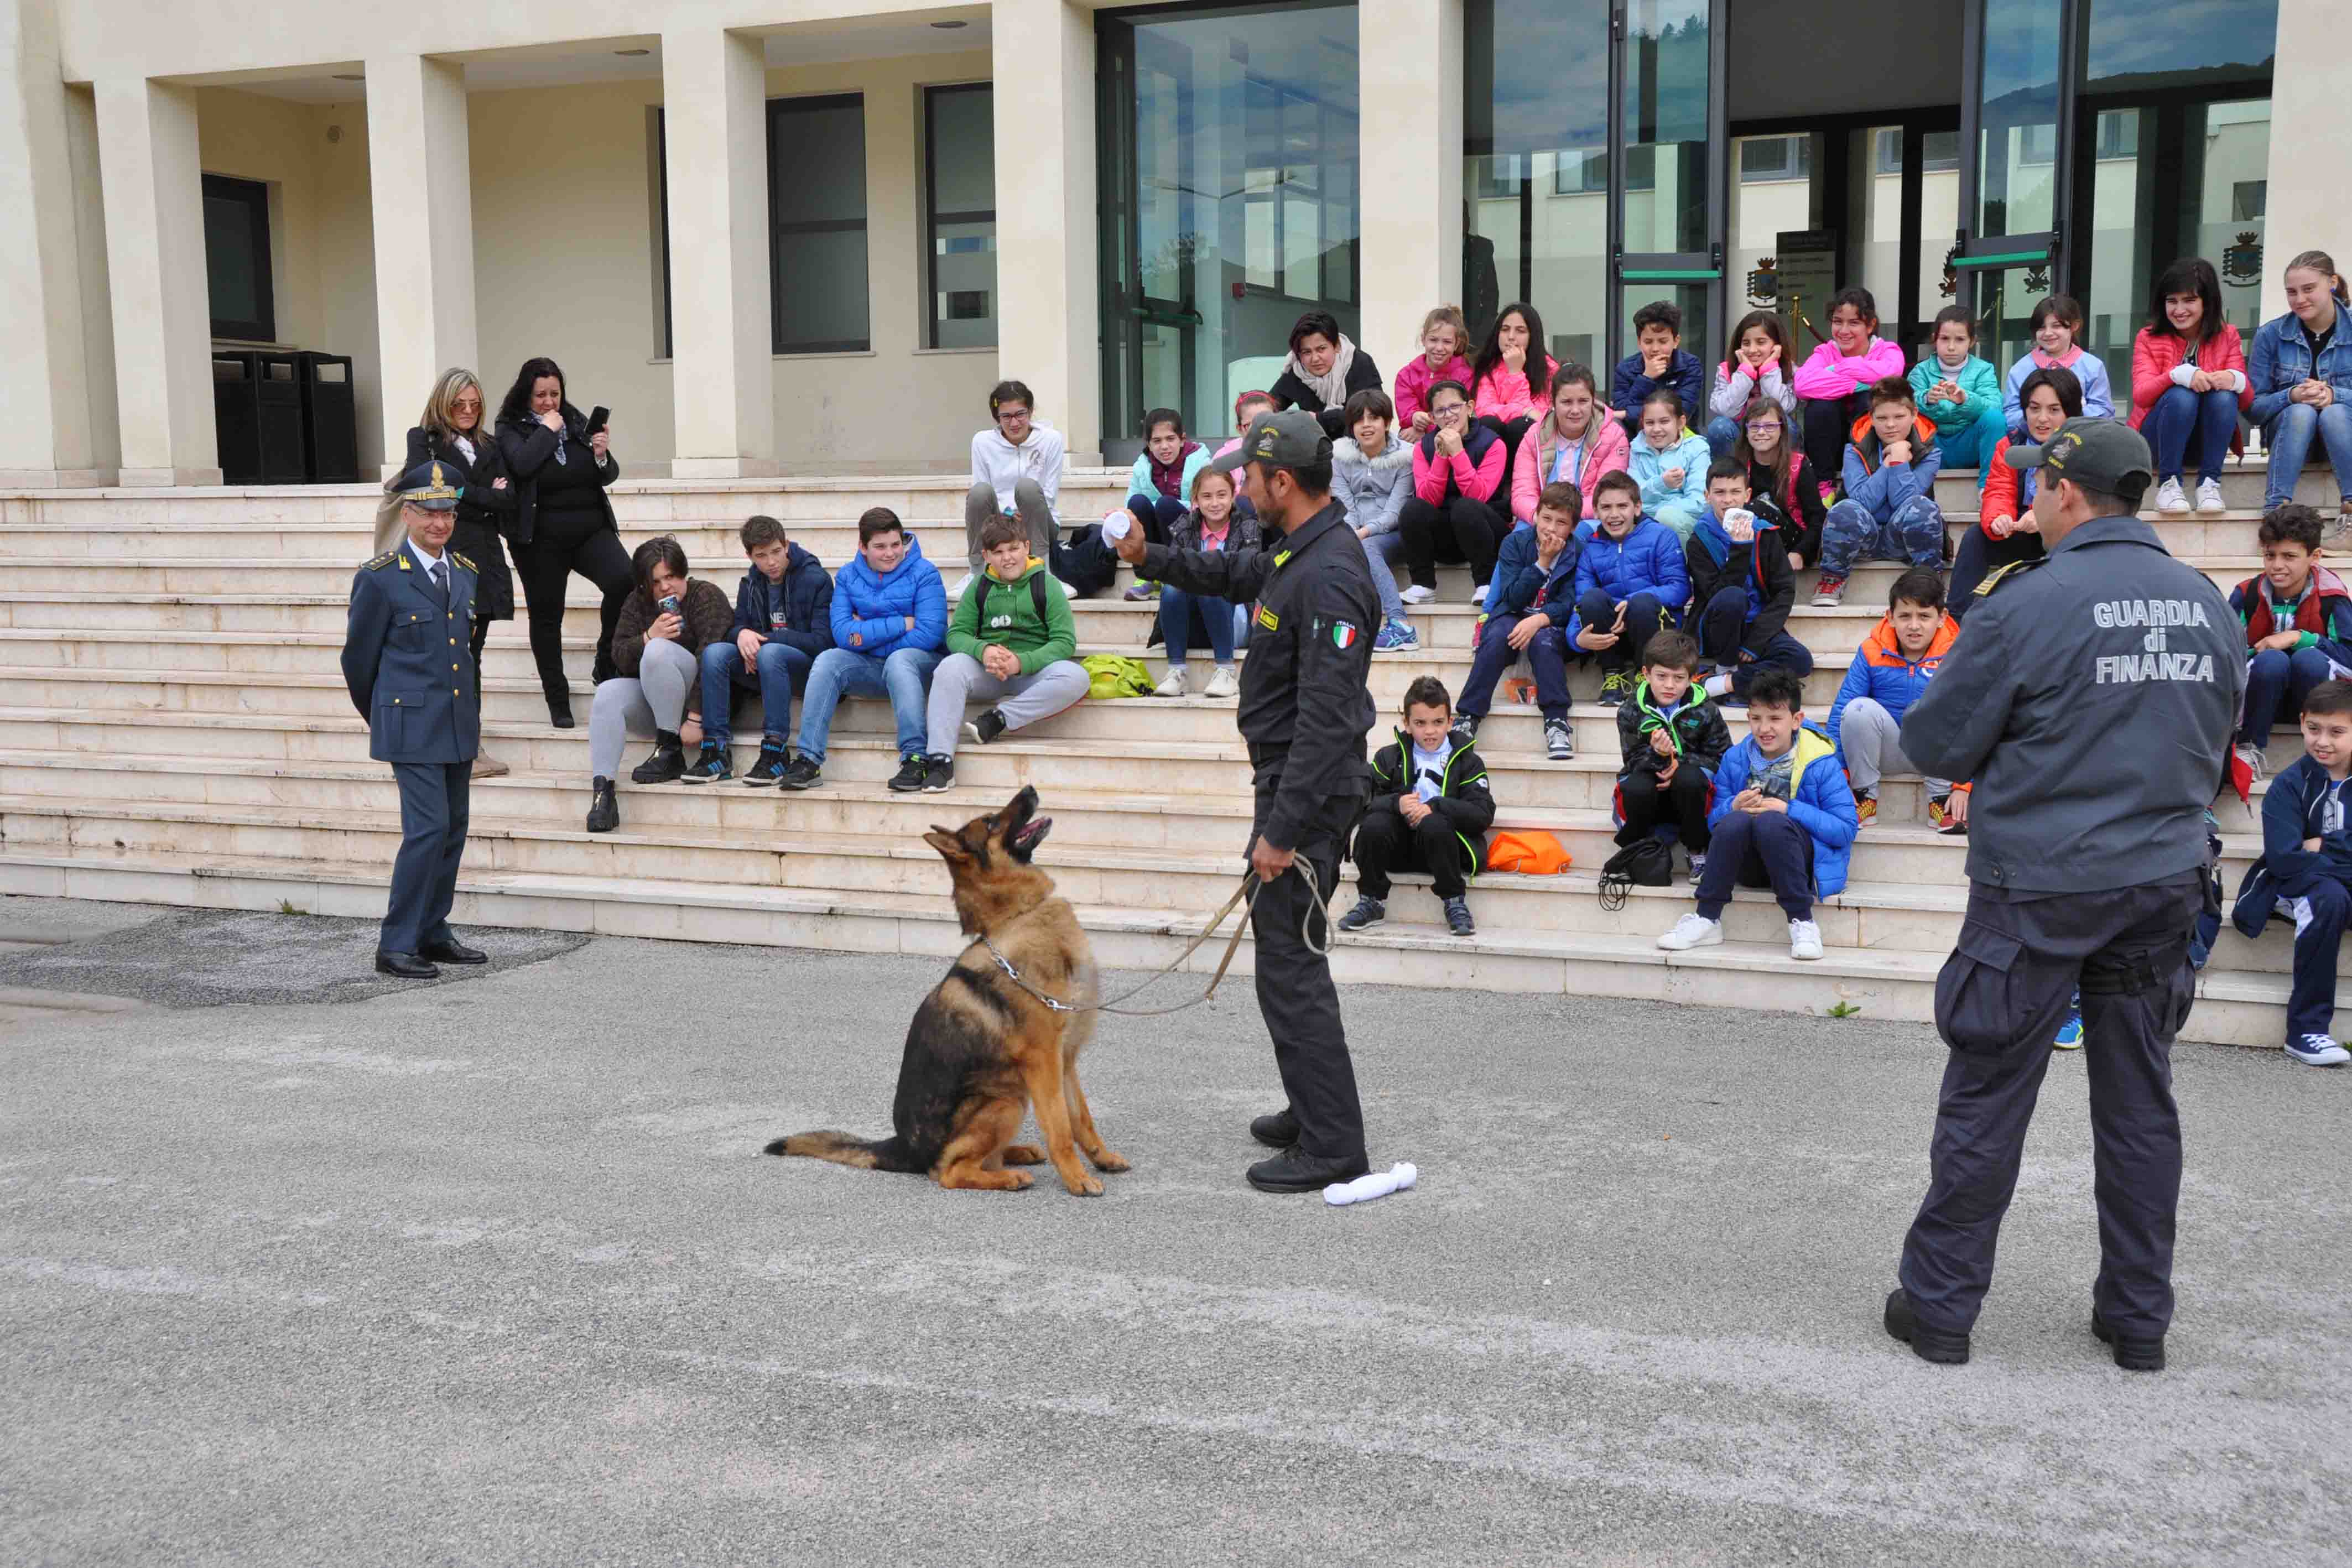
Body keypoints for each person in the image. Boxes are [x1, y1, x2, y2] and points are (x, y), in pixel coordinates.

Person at [1884, 416, 2242, 1373]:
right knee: (2139, 1107)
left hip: (2038, 888)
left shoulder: (2024, 603)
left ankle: (1942, 1309)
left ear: (2066, 493)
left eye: (2036, 487)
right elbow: (2220, 732)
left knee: (1987, 1098)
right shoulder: (2206, 601)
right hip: (2160, 881)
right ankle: (2138, 1318)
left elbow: (1935, 742)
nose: (2030, 502)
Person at [1109, 409, 1380, 1194]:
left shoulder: (1330, 573)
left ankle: (1333, 1144)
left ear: (1281, 482)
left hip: (1307, 790)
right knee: (1286, 961)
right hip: (1292, 782)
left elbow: (1326, 719)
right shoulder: (1299, 548)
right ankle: (1312, 1108)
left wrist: (1281, 831)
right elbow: (1233, 574)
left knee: (1293, 969)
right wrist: (1149, 556)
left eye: (1251, 477)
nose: (1243, 488)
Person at [340, 461, 486, 980]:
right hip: (411, 726)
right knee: (427, 829)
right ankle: (397, 942)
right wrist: (387, 716)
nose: (439, 523)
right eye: (428, 513)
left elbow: (463, 654)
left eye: (448, 513)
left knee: (453, 829)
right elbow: (358, 662)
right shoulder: (380, 578)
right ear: (407, 514)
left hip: (456, 723)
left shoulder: (464, 571)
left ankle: (432, 929)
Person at [1656, 666, 1856, 961]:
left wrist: (1789, 808)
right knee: (1734, 820)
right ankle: (1707, 918)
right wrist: (1732, 806)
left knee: (1772, 821)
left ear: (1796, 720)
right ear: (1748, 718)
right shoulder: (1736, 758)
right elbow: (1713, 824)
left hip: (1799, 864)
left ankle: (1802, 921)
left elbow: (1846, 829)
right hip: (1748, 864)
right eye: (1757, 719)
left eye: (1775, 719)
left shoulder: (1821, 762)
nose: (1765, 729)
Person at [495, 356, 628, 730]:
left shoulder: (575, 419)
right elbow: (522, 465)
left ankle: (606, 658)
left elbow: (608, 474)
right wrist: (547, 431)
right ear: (526, 394)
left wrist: (601, 455)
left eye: (555, 393)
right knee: (547, 617)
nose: (549, 402)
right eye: (541, 395)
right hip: (539, 539)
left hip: (590, 529)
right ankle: (558, 699)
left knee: (625, 580)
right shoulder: (509, 427)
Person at [2226, 678, 2352, 1066]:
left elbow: (2304, 852)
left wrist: (2320, 845)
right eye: (2314, 729)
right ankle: (2306, 1031)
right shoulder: (2289, 785)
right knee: (2328, 898)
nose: (2322, 741)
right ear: (2300, 722)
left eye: (2336, 732)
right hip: (2296, 886)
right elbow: (2283, 859)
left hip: (2327, 879)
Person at [784, 508, 947, 794]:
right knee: (828, 660)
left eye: (896, 544)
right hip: (872, 667)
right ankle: (808, 760)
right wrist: (902, 623)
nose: (891, 553)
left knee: (899, 660)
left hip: (918, 666)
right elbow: (843, 635)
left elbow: (928, 634)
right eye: (880, 547)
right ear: (863, 547)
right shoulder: (848, 576)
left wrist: (866, 634)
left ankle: (915, 758)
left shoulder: (925, 573)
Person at [920, 515, 1088, 791]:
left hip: (1032, 671)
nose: (1007, 558)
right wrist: (984, 650)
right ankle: (940, 761)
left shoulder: (1047, 584)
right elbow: (957, 634)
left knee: (1076, 677)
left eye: (1013, 549)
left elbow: (1064, 642)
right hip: (988, 671)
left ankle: (997, 720)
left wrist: (1021, 662)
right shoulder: (979, 586)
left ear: (1027, 547)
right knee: (949, 668)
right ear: (986, 556)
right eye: (998, 552)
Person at [404, 368, 517, 778]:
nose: (468, 411)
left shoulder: (488, 443)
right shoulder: (424, 440)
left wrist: (465, 492)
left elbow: (509, 498)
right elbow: (431, 490)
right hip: (442, 558)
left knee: (471, 655)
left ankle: (470, 744)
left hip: (483, 560)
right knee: (444, 654)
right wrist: (484, 494)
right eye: (459, 404)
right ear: (443, 403)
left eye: (474, 404)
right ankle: (447, 743)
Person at [582, 536, 730, 834]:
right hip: (658, 702)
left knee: (659, 650)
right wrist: (648, 636)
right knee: (607, 693)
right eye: (656, 581)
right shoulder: (637, 602)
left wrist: (696, 717)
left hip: (702, 702)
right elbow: (619, 657)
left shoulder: (706, 595)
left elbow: (712, 659)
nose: (665, 587)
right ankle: (603, 792)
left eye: (671, 577)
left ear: (683, 572)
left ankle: (669, 750)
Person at [1339, 676, 1494, 940]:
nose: (1430, 731)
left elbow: (1482, 814)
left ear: (1450, 722)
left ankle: (1454, 901)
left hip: (1447, 849)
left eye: (1438, 722)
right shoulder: (1388, 757)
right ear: (1407, 724)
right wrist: (1396, 803)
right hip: (1398, 850)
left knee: (1434, 822)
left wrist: (1436, 807)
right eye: (1420, 723)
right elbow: (1362, 804)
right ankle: (1372, 900)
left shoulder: (1468, 761)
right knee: (1375, 824)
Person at [691, 515, 833, 785]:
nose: (771, 562)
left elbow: (823, 641)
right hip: (763, 667)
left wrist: (764, 641)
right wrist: (742, 635)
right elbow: (736, 626)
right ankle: (716, 751)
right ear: (749, 556)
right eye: (762, 556)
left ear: (787, 545)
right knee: (715, 654)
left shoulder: (816, 579)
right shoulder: (752, 582)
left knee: (770, 653)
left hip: (807, 671)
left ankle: (776, 750)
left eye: (777, 552)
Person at [1454, 482, 1583, 761]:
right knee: (1497, 635)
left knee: (1544, 641)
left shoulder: (1579, 552)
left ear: (1573, 528)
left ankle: (1557, 721)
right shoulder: (1515, 543)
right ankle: (1467, 717)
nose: (1551, 528)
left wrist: (1540, 620)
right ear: (1536, 515)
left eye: (1561, 523)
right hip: (1513, 616)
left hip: (1551, 625)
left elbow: (1571, 601)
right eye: (1546, 518)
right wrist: (1542, 562)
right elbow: (1511, 598)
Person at [2228, 503, 2352, 782]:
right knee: (2272, 661)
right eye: (2270, 555)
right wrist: (2261, 649)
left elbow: (2349, 657)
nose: (2277, 566)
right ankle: (2248, 747)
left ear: (2315, 556)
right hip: (2258, 696)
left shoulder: (2332, 596)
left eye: (2289, 556)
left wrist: (2301, 638)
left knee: (2308, 658)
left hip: (2314, 696)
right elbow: (2224, 653)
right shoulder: (2247, 594)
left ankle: (2322, 751)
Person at [1827, 566, 1959, 827]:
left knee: (1939, 706)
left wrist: (1965, 784)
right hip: (1885, 751)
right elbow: (1841, 709)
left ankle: (1940, 800)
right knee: (1857, 709)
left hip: (1937, 755)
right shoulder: (1871, 651)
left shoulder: (1957, 653)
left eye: (1924, 616)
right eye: (1905, 616)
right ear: (1890, 617)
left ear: (1942, 618)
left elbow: (1976, 716)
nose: (1914, 626)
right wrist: (1837, 773)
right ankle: (1865, 797)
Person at [1950, 366, 2083, 616]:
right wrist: (1998, 518)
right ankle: (1957, 621)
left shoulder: (2081, 445)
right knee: (1976, 537)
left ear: (2071, 411)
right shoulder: (2011, 443)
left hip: (2067, 535)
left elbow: (2084, 503)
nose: (2042, 419)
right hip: (2023, 527)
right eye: (2034, 409)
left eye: (2054, 410)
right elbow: (1998, 489)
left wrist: (2044, 516)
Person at [2131, 257, 2251, 516]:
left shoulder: (2228, 335)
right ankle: (2168, 484)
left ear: (2207, 302)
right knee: (2181, 395)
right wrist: (2176, 375)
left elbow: (2247, 401)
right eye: (2172, 301)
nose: (2179, 310)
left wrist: (2235, 380)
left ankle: (2210, 484)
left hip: (2205, 443)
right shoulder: (2148, 337)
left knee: (2224, 396)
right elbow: (2141, 396)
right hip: (2158, 441)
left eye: (2189, 300)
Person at [1685, 459, 1811, 705]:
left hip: (1756, 626)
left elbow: (1784, 591)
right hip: (1719, 627)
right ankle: (1726, 666)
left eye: (1735, 492)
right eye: (1720, 493)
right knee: (1734, 597)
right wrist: (1740, 548)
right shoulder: (1699, 540)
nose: (1728, 500)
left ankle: (1722, 684)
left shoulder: (1766, 533)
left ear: (1747, 495)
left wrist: (1756, 641)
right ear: (1707, 496)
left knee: (1800, 660)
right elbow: (1718, 594)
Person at [1813, 377, 1944, 607]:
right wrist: (1889, 463)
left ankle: (1929, 581)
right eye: (1882, 418)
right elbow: (1863, 501)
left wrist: (1900, 462)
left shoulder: (1930, 453)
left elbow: (1905, 501)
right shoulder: (1854, 450)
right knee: (1845, 509)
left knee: (1923, 508)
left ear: (1914, 415)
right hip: (1864, 538)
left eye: (1899, 417)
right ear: (1871, 419)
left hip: (1903, 539)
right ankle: (1833, 579)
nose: (1890, 425)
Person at [1612, 630, 1730, 878]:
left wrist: (1679, 762)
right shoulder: (1630, 710)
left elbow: (1722, 757)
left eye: (1679, 678)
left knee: (1689, 779)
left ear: (1691, 679)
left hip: (1690, 795)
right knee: (1635, 786)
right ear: (1646, 674)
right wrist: (1658, 755)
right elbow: (1632, 759)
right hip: (1652, 788)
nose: (1669, 685)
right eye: (1661, 676)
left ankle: (1698, 849)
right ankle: (1635, 849)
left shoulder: (1706, 708)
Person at [2247, 249, 2352, 519]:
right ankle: (2276, 512)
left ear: (2332, 283)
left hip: (2345, 437)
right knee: (2301, 412)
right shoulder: (2270, 335)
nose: (2300, 300)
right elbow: (2253, 409)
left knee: (2335, 413)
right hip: (2290, 439)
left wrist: (2334, 395)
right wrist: (2291, 395)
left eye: (2309, 289)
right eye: (2292, 292)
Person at [1573, 470, 1690, 706]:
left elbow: (1679, 589)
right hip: (1614, 634)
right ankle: (1612, 676)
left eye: (1622, 506)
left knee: (1642, 603)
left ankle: (1644, 676)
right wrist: (1576, 639)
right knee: (1592, 599)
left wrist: (1632, 601)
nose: (1614, 515)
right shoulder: (1592, 548)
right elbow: (1581, 600)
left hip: (1655, 630)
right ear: (1596, 512)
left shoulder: (1661, 536)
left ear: (1637, 508)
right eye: (1606, 508)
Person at [1396, 378, 1511, 606]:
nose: (1448, 415)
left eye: (1455, 407)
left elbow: (1479, 496)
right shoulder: (1423, 448)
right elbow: (1427, 499)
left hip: (1486, 534)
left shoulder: (1493, 444)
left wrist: (1458, 454)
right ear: (1432, 417)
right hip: (1446, 538)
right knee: (1413, 508)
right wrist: (1441, 456)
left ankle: (1485, 584)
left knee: (1466, 506)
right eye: (1440, 411)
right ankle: (1423, 585)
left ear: (1469, 407)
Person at [1153, 465, 1259, 698]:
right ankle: (1177, 671)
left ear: (1233, 496)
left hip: (1234, 618)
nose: (1215, 503)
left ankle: (1226, 670)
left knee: (1211, 582)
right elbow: (1173, 571)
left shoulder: (1249, 528)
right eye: (1207, 496)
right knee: (1172, 589)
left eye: (1222, 495)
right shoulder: (1183, 527)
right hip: (1194, 623)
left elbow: (1248, 577)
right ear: (1196, 500)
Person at [1335, 388, 1420, 650]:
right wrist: (1351, 532)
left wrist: (1361, 534)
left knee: (1365, 546)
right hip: (1353, 532)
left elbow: (1395, 513)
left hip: (1395, 534)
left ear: (1387, 422)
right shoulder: (1339, 457)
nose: (1366, 426)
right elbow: (1344, 505)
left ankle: (1400, 624)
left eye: (1373, 418)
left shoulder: (1406, 456)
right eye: (1359, 420)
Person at [1793, 286, 1906, 486]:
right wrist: (1858, 383)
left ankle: (1868, 480)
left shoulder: (1887, 350)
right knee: (1820, 407)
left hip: (1873, 450)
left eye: (1854, 323)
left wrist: (1837, 369)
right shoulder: (1824, 352)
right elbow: (1802, 385)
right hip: (1831, 449)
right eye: (1838, 322)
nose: (1844, 331)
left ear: (1870, 325)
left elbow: (1891, 373)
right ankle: (1824, 486)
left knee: (1868, 400)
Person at [964, 379, 1065, 588]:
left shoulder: (1051, 440)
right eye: (1006, 417)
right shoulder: (982, 442)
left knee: (1027, 487)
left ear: (1030, 411)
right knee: (978, 492)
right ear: (997, 417)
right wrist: (1005, 516)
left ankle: (1041, 571)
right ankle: (977, 573)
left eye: (1020, 414)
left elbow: (1049, 494)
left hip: (1039, 520)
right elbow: (982, 489)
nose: (1014, 423)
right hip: (999, 520)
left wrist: (1023, 514)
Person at [1511, 363, 1629, 525]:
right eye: (1567, 402)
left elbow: (1606, 496)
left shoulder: (1614, 436)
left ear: (1593, 401)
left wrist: (1563, 520)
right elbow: (1522, 495)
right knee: (1518, 539)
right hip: (1539, 518)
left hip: (1588, 520)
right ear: (1553, 403)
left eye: (1583, 401)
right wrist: (1542, 519)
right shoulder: (1534, 436)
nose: (1575, 410)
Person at [1909, 305, 2007, 475]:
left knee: (1995, 419)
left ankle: (1989, 485)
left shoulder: (1983, 370)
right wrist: (1927, 399)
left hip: (1968, 444)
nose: (1951, 347)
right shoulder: (1921, 371)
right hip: (1931, 444)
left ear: (1972, 341)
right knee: (1902, 419)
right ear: (1935, 339)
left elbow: (1995, 406)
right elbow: (1905, 406)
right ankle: (1910, 482)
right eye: (1945, 339)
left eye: (1960, 340)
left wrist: (1965, 400)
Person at [1735, 397, 1828, 570]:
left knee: (1757, 508)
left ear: (1782, 430)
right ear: (1746, 432)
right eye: (1754, 426)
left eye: (1770, 426)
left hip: (1790, 540)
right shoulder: (1738, 466)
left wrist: (1800, 553)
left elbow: (1817, 518)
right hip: (1747, 540)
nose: (1761, 432)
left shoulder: (1798, 466)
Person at [2001, 293, 2115, 433]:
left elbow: (2104, 411)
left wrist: (2067, 418)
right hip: (2033, 442)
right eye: (2041, 328)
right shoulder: (2020, 369)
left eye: (2056, 326)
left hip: (2081, 439)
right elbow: (2011, 414)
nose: (2048, 333)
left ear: (2074, 326)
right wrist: (2037, 419)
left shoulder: (2093, 366)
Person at [1269, 309, 1383, 440]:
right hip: (1315, 445)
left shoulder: (1359, 363)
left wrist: (1318, 419)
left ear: (1336, 346)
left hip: (1358, 444)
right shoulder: (1297, 369)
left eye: (1321, 349)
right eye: (1307, 352)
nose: (1315, 359)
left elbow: (1372, 411)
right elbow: (1271, 404)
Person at [1468, 300, 1556, 462]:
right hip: (1496, 450)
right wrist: (1525, 411)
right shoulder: (1487, 367)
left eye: (1520, 331)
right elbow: (1485, 410)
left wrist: (1515, 373)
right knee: (1489, 423)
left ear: (1532, 336)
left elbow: (1541, 419)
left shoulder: (1549, 369)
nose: (1511, 337)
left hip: (1535, 450)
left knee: (1522, 425)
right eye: (1505, 329)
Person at [1610, 299, 1705, 438]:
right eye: (1648, 342)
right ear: (1639, 342)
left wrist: (1628, 413)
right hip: (1637, 436)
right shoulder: (1625, 369)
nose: (1655, 349)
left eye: (1663, 341)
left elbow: (1681, 413)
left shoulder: (1690, 365)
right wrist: (1646, 378)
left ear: (1676, 341)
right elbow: (1622, 413)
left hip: (1679, 437)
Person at [1706, 309, 1796, 457]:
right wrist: (1745, 374)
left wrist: (1769, 370)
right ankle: (1727, 471)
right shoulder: (1726, 370)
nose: (1752, 350)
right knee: (1719, 427)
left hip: (1772, 429)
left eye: (1761, 342)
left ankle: (1783, 471)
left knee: (1790, 427)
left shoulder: (1788, 370)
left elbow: (1784, 408)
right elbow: (1726, 411)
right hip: (1738, 430)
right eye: (1746, 343)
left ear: (1777, 345)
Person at [1121, 407, 1210, 555]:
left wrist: (1161, 505)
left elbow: (1204, 505)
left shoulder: (1200, 462)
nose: (1164, 447)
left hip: (1189, 532)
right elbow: (1128, 508)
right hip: (1155, 534)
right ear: (1149, 445)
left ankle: (1175, 564)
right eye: (1157, 441)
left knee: (1166, 504)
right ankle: (1146, 563)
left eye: (1170, 439)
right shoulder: (1142, 467)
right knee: (1137, 502)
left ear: (1182, 440)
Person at [1628, 389, 1711, 541]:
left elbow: (1699, 504)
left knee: (1666, 517)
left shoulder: (1697, 449)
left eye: (1664, 421)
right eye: (1650, 423)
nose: (1656, 429)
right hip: (1645, 521)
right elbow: (1632, 497)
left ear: (1681, 423)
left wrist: (1653, 510)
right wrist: (1662, 483)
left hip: (1687, 525)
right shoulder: (1636, 448)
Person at [1393, 305, 1474, 439]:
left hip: (1456, 438)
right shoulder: (1406, 375)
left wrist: (1427, 433)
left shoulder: (1465, 375)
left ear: (1456, 344)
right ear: (1423, 339)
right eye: (1433, 340)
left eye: (1447, 342)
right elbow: (1406, 411)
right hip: (1416, 438)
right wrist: (1415, 416)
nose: (1439, 348)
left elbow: (1463, 417)